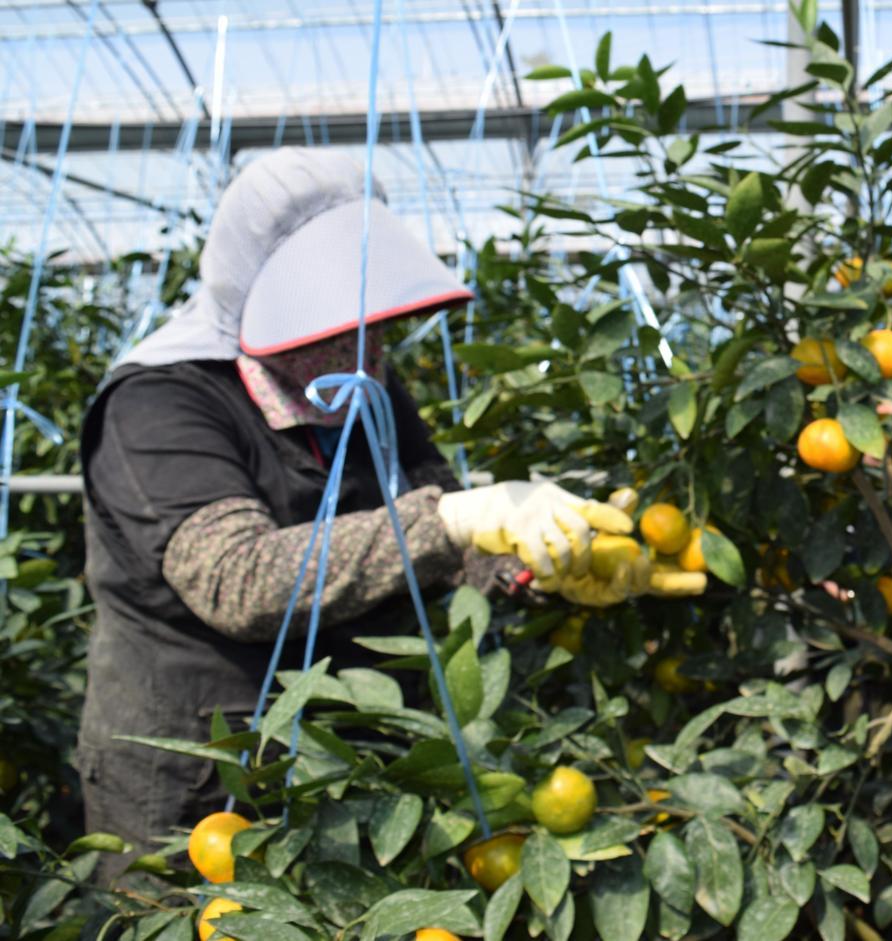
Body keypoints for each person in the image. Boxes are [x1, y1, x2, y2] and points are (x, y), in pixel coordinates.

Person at [75, 148, 693, 877]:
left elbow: (437, 522)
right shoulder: (159, 405)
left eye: (372, 318)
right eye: (330, 318)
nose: (364, 345)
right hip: (206, 784)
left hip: (351, 767)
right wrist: (459, 516)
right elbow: (238, 579)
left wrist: (530, 562)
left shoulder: (360, 378)